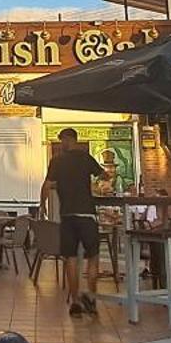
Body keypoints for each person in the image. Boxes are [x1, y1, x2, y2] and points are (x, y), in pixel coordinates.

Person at [43, 126, 111, 317]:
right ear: (76, 139)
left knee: (70, 259)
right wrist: (101, 181)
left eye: (62, 140)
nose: (63, 143)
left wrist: (42, 205)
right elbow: (104, 175)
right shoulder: (85, 158)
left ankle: (75, 301)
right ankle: (91, 297)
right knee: (93, 257)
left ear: (66, 140)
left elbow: (47, 185)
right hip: (87, 214)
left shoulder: (56, 161)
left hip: (67, 216)